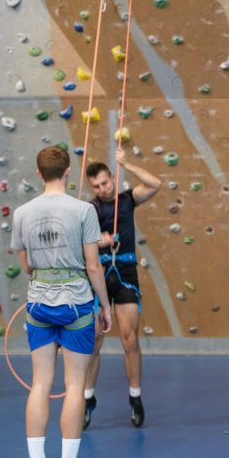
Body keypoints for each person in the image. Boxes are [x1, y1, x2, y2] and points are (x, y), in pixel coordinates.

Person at [11, 146, 112, 458]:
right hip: (76, 304)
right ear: (68, 171)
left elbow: (26, 265)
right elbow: (93, 266)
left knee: (40, 383)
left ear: (38, 173)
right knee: (74, 385)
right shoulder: (83, 210)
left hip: (38, 303)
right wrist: (105, 306)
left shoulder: (22, 213)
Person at [84, 146, 161, 428]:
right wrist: (98, 240)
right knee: (94, 341)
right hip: (99, 273)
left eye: (105, 183)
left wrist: (127, 163)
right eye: (96, 186)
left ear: (113, 179)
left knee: (130, 340)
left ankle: (135, 397)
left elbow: (155, 184)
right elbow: (78, 241)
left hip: (125, 272)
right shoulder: (89, 209)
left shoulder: (128, 200)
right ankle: (87, 399)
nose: (102, 189)